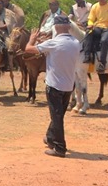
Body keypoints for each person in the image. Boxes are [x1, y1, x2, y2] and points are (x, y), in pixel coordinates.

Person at [24, 15, 82, 157]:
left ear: (55, 27)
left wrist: (32, 38)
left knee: (56, 117)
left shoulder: (53, 43)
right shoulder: (76, 43)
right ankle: (50, 137)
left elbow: (28, 49)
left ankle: (60, 148)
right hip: (69, 85)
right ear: (69, 27)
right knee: (58, 114)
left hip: (54, 85)